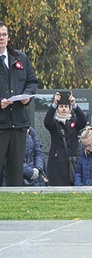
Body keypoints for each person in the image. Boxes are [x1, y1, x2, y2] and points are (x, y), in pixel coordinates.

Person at [0, 20, 39, 186]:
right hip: (1, 124)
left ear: (8, 37)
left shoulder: (20, 58)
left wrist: (27, 95)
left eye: (4, 34)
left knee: (16, 171)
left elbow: (32, 81)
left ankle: (15, 206)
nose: (1, 38)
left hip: (19, 123)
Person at [44, 91, 87, 186]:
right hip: (56, 164)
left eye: (66, 107)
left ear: (69, 109)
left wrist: (74, 105)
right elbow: (47, 122)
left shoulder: (74, 122)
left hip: (71, 162)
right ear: (57, 109)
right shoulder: (54, 123)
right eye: (61, 106)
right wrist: (55, 103)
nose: (64, 109)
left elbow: (83, 121)